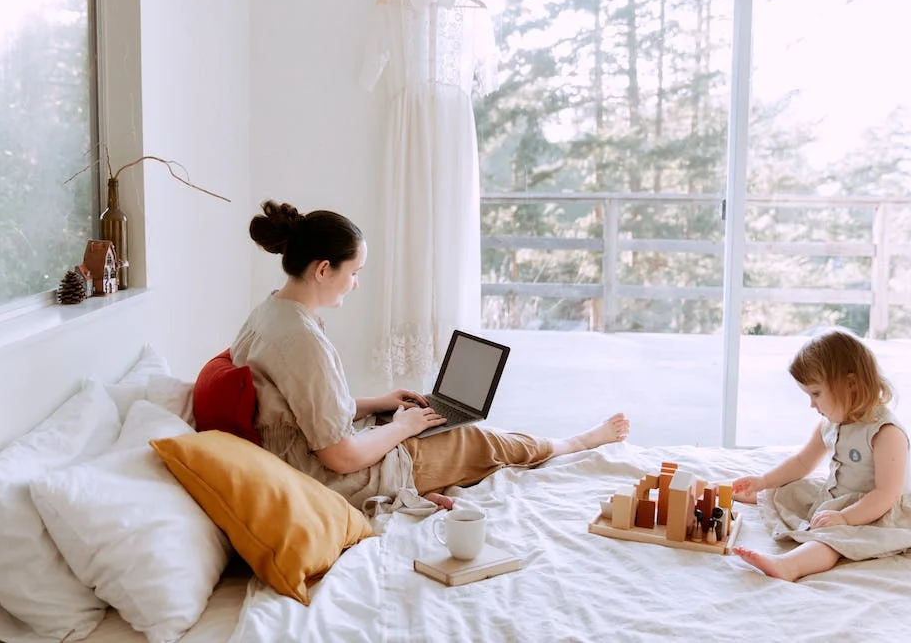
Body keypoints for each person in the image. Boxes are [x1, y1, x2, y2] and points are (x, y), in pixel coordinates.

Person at [230, 200, 630, 511]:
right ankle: (573, 444)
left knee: (427, 420)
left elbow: (304, 409)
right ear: (322, 270)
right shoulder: (302, 340)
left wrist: (380, 404)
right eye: (354, 272)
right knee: (478, 439)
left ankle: (422, 444)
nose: (355, 285)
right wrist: (401, 428)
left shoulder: (271, 313)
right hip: (331, 478)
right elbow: (341, 457)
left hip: (306, 456)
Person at [731, 329, 911, 581]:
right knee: (790, 489)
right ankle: (765, 498)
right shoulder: (832, 423)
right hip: (842, 496)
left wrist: (845, 517)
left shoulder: (885, 433)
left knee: (834, 539)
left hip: (877, 509)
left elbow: (887, 493)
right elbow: (802, 462)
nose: (812, 404)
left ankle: (790, 566)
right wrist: (764, 482)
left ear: (850, 384)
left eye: (816, 394)